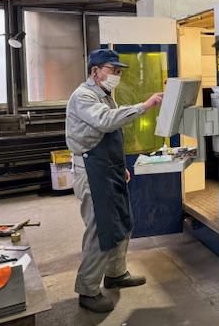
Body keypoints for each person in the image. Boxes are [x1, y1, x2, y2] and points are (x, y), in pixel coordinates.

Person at [65, 49, 163, 313]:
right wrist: (145, 105)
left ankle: (116, 274)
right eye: (113, 70)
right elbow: (107, 122)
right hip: (92, 170)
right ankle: (88, 290)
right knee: (101, 230)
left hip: (109, 168)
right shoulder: (84, 96)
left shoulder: (106, 95)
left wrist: (120, 167)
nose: (117, 75)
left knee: (122, 221)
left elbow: (111, 135)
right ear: (95, 71)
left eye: (119, 71)